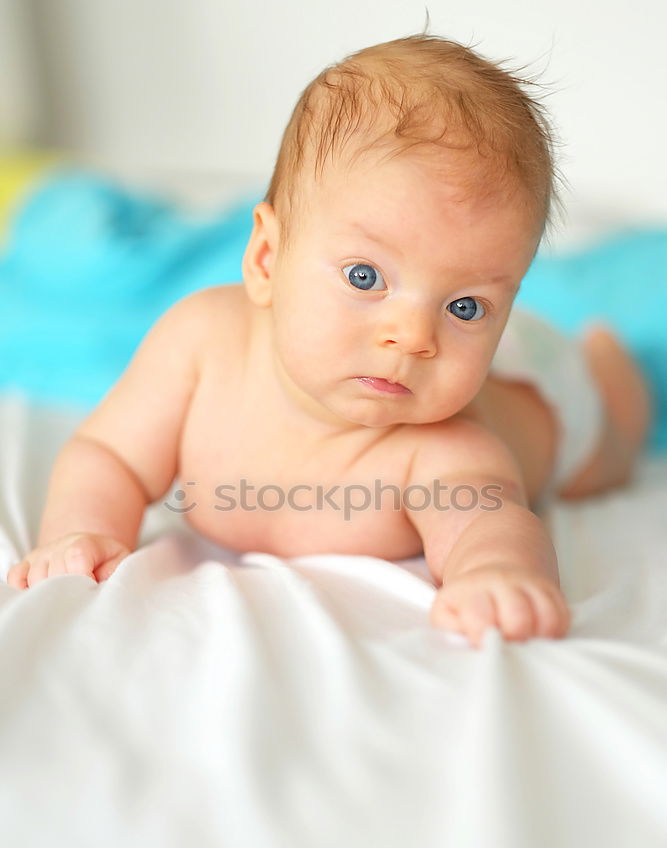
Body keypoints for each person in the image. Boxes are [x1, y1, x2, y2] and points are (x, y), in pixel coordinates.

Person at [5, 33, 651, 648]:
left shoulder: (442, 446)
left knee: (604, 448)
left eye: (464, 306)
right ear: (264, 257)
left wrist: (495, 574)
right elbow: (108, 456)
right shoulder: (199, 345)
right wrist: (84, 530)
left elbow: (489, 524)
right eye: (365, 277)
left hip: (543, 387)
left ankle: (607, 368)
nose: (411, 336)